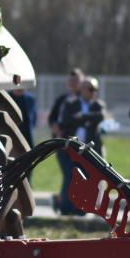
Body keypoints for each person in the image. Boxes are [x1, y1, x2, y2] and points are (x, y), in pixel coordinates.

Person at [48, 69, 85, 214]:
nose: (74, 83)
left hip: (80, 145)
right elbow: (52, 118)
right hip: (63, 144)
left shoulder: (84, 100)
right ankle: (65, 206)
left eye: (77, 81)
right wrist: (55, 127)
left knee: (79, 176)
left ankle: (76, 206)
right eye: (71, 81)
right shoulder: (62, 100)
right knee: (69, 174)